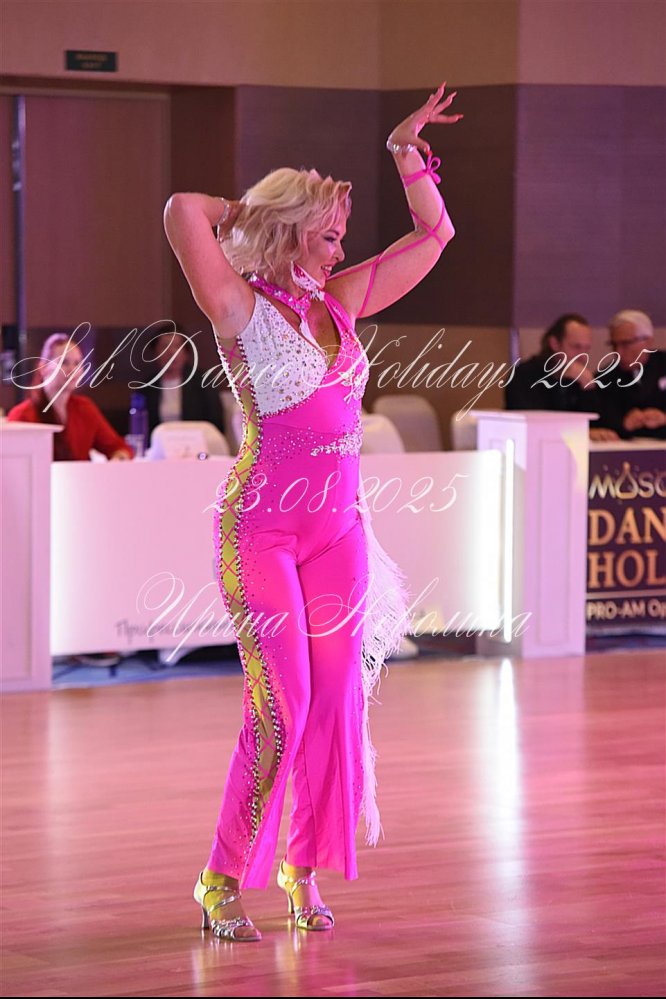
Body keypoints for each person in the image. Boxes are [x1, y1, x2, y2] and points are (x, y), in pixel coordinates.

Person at [163, 81, 462, 941]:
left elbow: (434, 235)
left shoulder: (343, 301)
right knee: (282, 707)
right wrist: (257, 212)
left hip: (338, 533)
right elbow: (183, 210)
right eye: (327, 231)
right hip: (260, 530)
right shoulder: (237, 305)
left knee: (336, 704)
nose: (340, 245)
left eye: (339, 234)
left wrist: (405, 151)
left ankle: (303, 865)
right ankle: (221, 877)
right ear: (291, 229)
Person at [6, 332, 134, 461]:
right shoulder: (22, 415)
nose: (72, 370)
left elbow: (118, 447)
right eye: (64, 362)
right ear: (43, 368)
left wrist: (119, 459)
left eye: (77, 363)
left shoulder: (84, 408)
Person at [135, 325, 227, 438]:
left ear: (186, 353)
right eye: (164, 347)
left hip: (197, 443)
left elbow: (216, 425)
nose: (171, 352)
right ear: (155, 353)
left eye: (177, 346)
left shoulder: (204, 382)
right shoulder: (146, 387)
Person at [591, 309, 666, 440]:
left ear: (648, 341)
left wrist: (663, 418)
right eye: (614, 345)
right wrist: (623, 425)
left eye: (625, 344)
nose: (618, 352)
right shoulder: (604, 379)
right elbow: (599, 424)